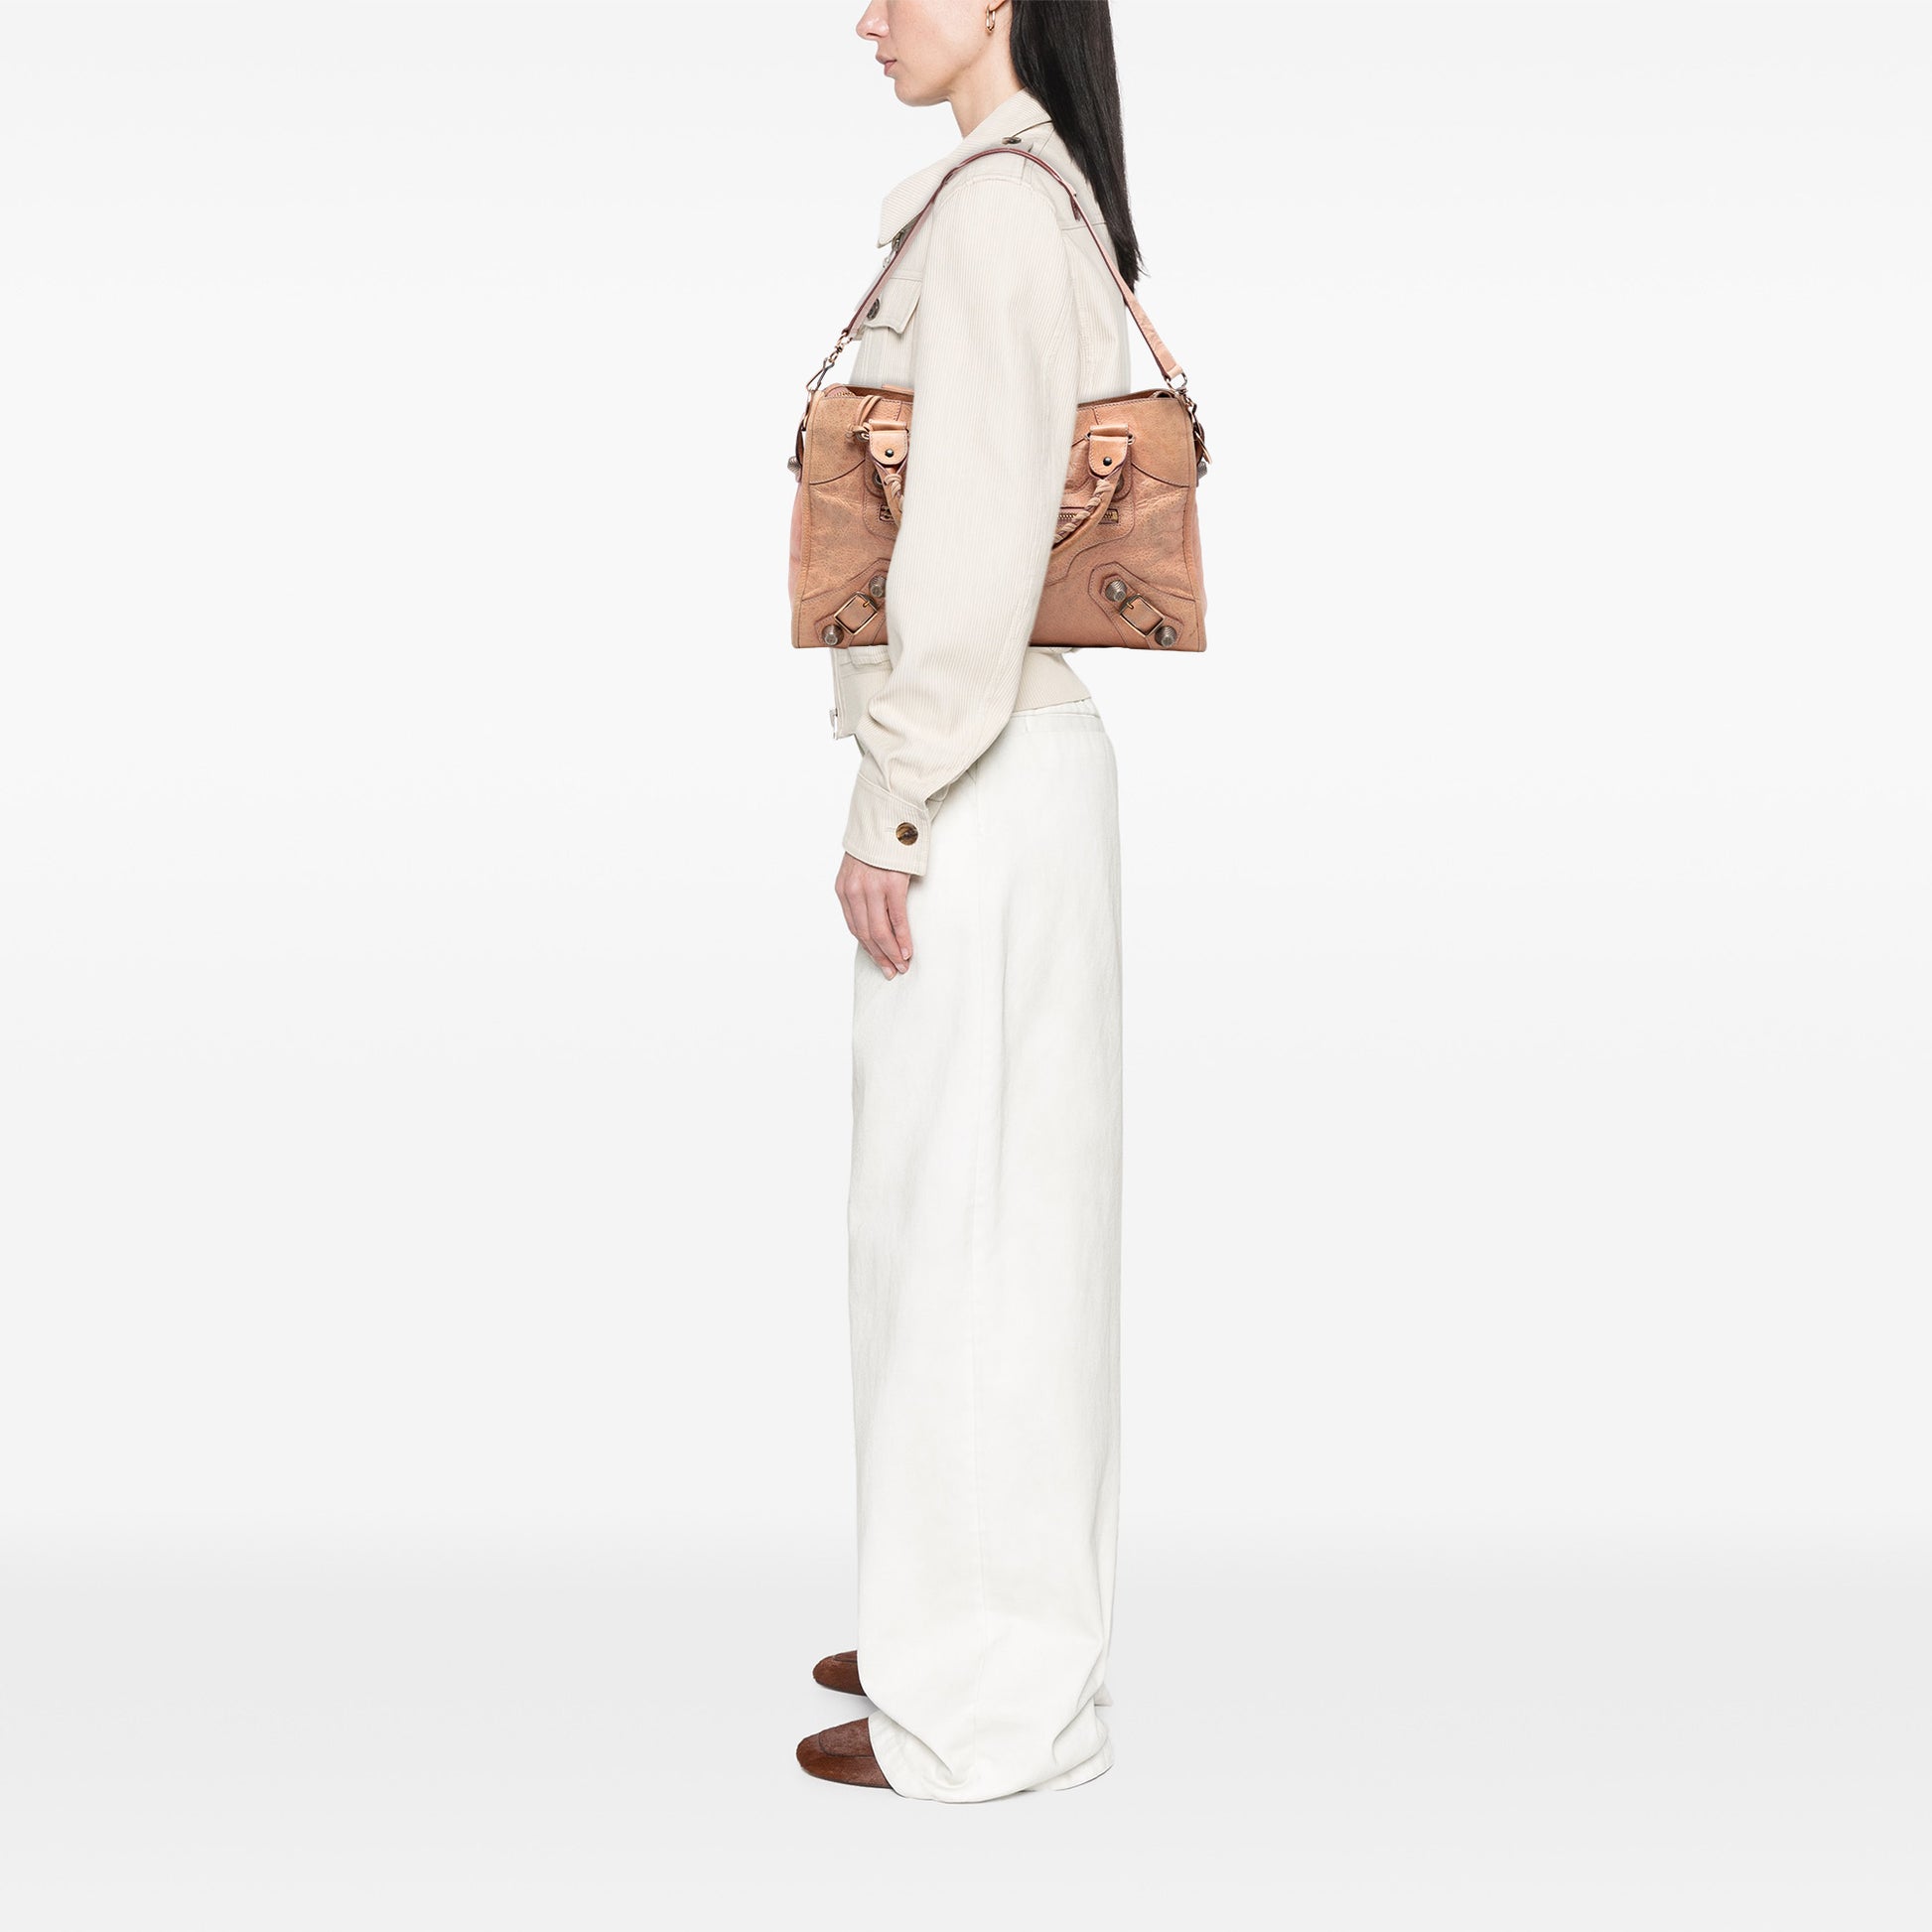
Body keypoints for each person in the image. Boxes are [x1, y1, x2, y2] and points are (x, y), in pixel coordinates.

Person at [797, 0, 1146, 1802]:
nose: (867, 16)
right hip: (1000, 772)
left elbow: (972, 541)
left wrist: (894, 798)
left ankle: (987, 1701)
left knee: (969, 1236)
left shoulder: (1002, 209)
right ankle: (958, 1626)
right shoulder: (1010, 193)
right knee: (974, 1224)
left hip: (977, 774)